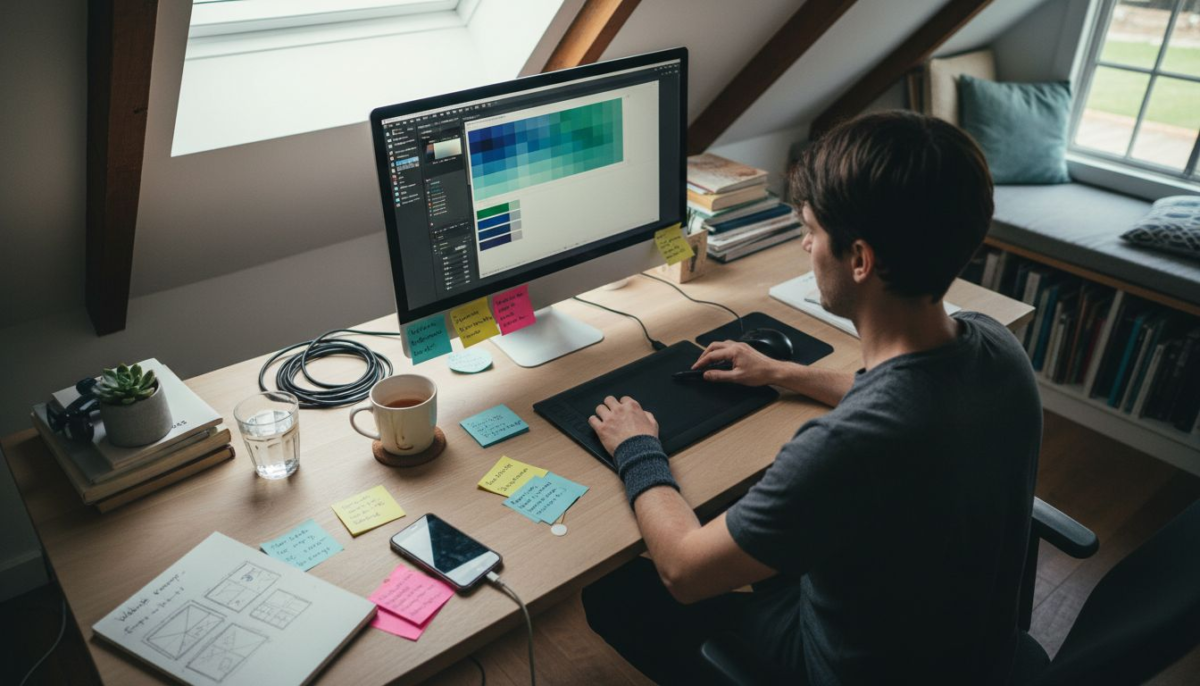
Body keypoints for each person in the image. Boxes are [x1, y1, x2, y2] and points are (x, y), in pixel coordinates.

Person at [582, 110, 1041, 686]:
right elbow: (907, 401)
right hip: (961, 642)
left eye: (811, 230)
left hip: (845, 665)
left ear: (859, 259)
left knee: (610, 587)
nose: (803, 244)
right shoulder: (997, 347)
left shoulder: (846, 448)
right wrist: (785, 372)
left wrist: (639, 447)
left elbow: (683, 571)